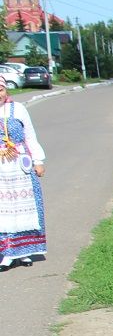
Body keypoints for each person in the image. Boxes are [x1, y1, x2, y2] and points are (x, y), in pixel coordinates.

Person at [0, 80, 46, 268]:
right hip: (1, 169)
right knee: (5, 209)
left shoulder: (18, 109)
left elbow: (30, 136)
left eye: (0, 89)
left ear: (5, 89)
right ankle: (7, 253)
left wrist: (38, 161)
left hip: (20, 166)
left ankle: (26, 252)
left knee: (24, 206)